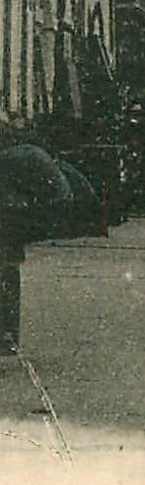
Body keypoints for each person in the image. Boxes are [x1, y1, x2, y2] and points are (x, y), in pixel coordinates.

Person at [0, 119, 95, 355]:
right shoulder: (27, 153)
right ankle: (8, 336)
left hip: (14, 218)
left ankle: (5, 335)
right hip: (21, 219)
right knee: (8, 270)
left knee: (6, 270)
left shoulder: (11, 160)